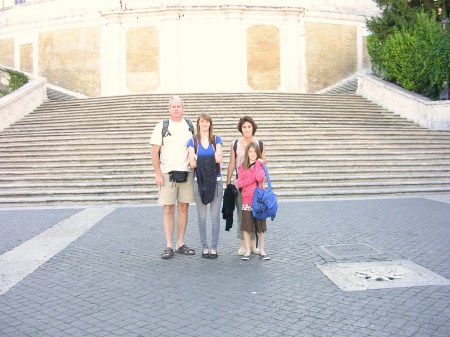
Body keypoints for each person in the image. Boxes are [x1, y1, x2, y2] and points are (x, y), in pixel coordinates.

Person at [150, 96, 196, 259]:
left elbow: (196, 147)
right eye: (173, 106)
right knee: (168, 209)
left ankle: (180, 243)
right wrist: (157, 174)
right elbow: (154, 151)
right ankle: (169, 245)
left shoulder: (190, 126)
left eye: (179, 106)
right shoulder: (162, 126)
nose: (176, 109)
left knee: (184, 208)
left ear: (183, 108)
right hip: (167, 173)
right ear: (169, 109)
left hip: (187, 173)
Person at [226, 116, 266, 256]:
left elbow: (263, 165)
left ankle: (253, 245)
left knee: (256, 214)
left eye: (249, 126)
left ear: (253, 128)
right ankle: (243, 244)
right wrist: (228, 181)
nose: (247, 129)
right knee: (242, 215)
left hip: (256, 186)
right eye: (244, 127)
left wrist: (263, 185)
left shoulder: (259, 144)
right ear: (241, 128)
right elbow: (232, 163)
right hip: (240, 185)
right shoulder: (235, 144)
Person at [188, 113, 223, 259]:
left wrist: (199, 157)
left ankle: (214, 247)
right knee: (201, 217)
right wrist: (209, 158)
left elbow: (219, 158)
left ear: (210, 123)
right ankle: (204, 246)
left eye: (207, 121)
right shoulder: (193, 141)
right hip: (199, 182)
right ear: (198, 123)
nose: (205, 124)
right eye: (202, 121)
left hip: (216, 182)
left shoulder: (216, 139)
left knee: (215, 217)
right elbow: (192, 164)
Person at [237, 142, 270, 260]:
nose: (252, 154)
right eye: (250, 151)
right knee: (246, 226)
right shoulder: (241, 166)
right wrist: (251, 177)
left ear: (258, 153)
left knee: (260, 227)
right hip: (246, 200)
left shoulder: (261, 166)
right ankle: (247, 250)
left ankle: (261, 249)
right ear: (247, 153)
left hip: (259, 201)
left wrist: (256, 166)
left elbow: (260, 178)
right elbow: (240, 183)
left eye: (255, 151)